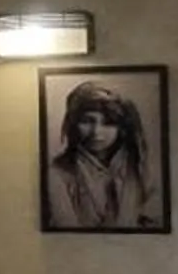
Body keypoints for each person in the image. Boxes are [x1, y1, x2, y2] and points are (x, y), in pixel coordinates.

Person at [47, 80, 161, 230]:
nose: (96, 132)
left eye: (108, 123)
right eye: (87, 121)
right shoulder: (58, 173)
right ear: (73, 123)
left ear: (122, 127)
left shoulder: (142, 169)